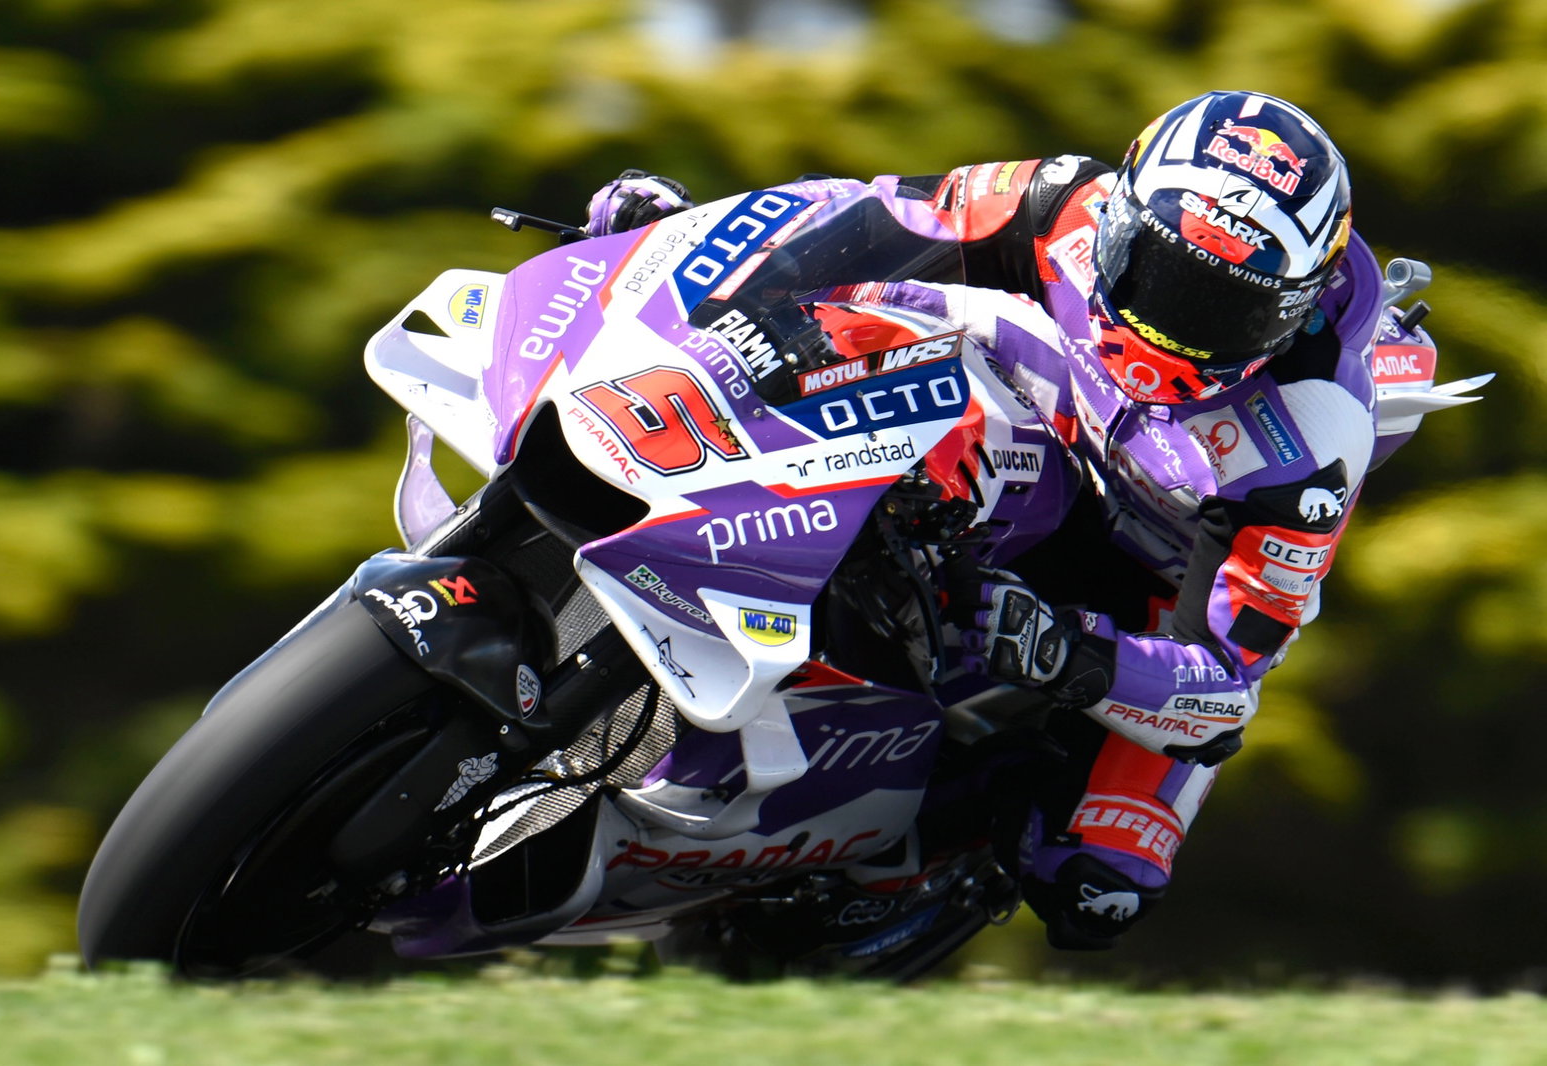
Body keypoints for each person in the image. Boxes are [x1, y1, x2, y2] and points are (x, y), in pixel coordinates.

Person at [582, 91, 1424, 950]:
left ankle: (921, 844)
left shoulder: (1314, 432)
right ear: (1119, 218)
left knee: (1099, 889)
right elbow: (859, 214)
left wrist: (1073, 652)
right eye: (1156, 273)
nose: (1172, 325)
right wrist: (675, 240)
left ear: (1290, 313)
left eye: (1225, 310)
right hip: (1033, 437)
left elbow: (1223, 683)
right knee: (866, 329)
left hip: (1146, 593)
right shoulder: (1060, 201)